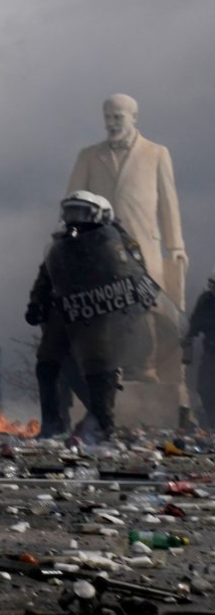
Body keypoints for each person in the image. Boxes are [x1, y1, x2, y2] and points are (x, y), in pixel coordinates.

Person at [67, 94, 187, 415]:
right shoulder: (89, 156)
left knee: (145, 308)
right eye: (107, 116)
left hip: (143, 245)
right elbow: (73, 199)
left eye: (118, 116)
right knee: (102, 309)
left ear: (133, 117)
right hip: (100, 248)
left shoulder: (157, 154)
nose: (111, 122)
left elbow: (168, 203)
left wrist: (176, 246)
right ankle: (108, 368)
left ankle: (146, 367)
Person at [26, 191, 157, 441]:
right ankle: (52, 422)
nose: (74, 218)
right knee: (46, 363)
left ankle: (102, 422)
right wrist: (36, 303)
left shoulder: (118, 241)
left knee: (98, 365)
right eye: (71, 211)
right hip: (63, 310)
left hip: (98, 311)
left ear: (100, 214)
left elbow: (132, 275)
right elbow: (45, 276)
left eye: (82, 212)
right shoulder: (62, 243)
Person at [182, 271, 215, 427]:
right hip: (211, 352)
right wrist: (187, 340)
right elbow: (194, 324)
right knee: (205, 388)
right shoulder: (206, 300)